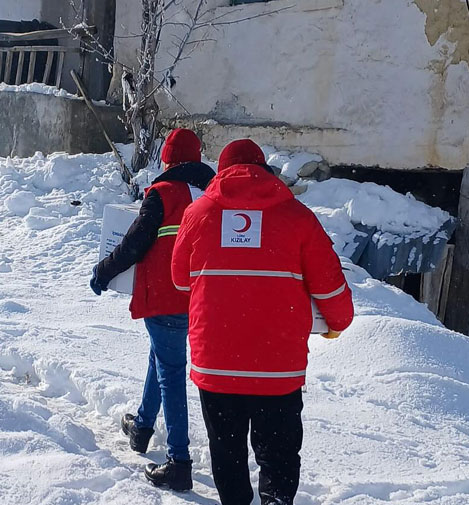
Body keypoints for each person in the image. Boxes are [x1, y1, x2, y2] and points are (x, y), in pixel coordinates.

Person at [171, 139, 354, 505]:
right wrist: (337, 323)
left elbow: (179, 279)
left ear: (221, 173)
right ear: (266, 172)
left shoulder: (198, 213)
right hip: (277, 367)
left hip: (217, 363)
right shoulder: (297, 217)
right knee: (279, 455)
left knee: (227, 455)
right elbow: (331, 287)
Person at [90, 128, 214, 491]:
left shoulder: (162, 194)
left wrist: (103, 272)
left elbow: (133, 244)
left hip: (165, 296)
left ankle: (179, 460)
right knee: (161, 357)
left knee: (171, 371)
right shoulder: (211, 194)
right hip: (201, 297)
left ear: (168, 160)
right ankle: (143, 425)